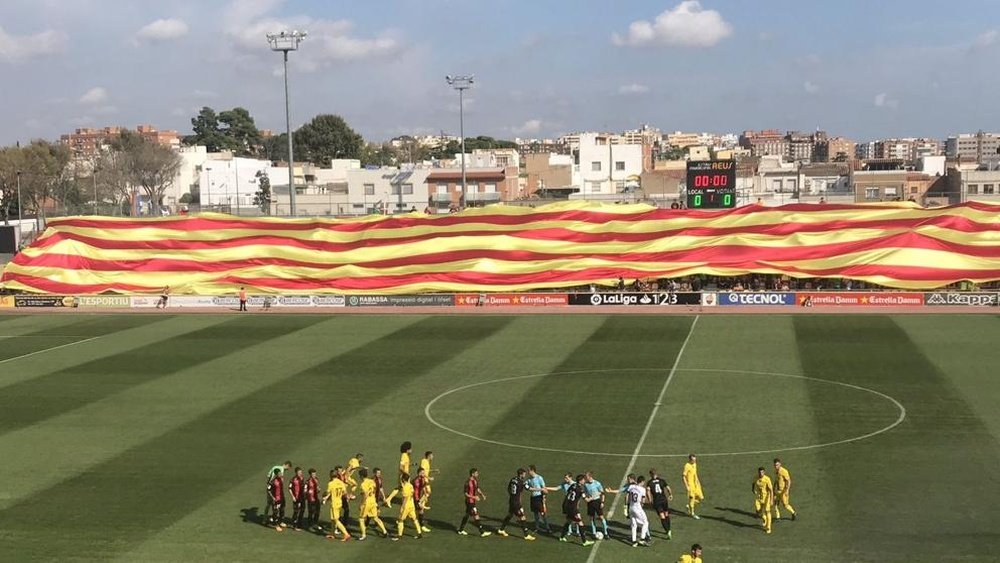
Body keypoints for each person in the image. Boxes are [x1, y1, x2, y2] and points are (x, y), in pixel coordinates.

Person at [498, 468, 536, 541]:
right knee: (522, 517)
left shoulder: (513, 479)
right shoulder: (521, 482)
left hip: (512, 500)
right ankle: (526, 535)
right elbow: (529, 488)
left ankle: (501, 529)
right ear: (521, 474)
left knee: (510, 515)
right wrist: (540, 489)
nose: (525, 475)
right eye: (524, 474)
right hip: (516, 503)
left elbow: (508, 489)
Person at [385, 473, 423, 540]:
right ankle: (419, 533)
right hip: (412, 505)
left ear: (403, 479)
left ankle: (399, 536)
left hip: (406, 506)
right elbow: (399, 488)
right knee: (414, 519)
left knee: (400, 520)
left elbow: (405, 498)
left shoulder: (405, 488)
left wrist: (402, 508)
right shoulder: (410, 485)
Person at [559, 474, 593, 546]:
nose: (584, 481)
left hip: (566, 505)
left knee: (568, 521)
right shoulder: (581, 489)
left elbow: (569, 493)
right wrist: (591, 498)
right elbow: (586, 500)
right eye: (583, 480)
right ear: (580, 481)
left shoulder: (573, 485)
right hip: (572, 508)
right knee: (580, 523)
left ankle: (561, 537)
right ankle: (584, 541)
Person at [457, 468, 492, 537]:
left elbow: (477, 488)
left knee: (467, 515)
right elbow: (465, 494)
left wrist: (482, 495)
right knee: (476, 515)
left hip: (472, 501)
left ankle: (461, 530)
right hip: (469, 502)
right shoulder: (467, 482)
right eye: (476, 473)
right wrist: (474, 497)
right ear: (472, 474)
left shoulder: (475, 481)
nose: (477, 474)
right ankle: (482, 532)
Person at [322, 467, 353, 541]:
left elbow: (328, 493)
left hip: (334, 503)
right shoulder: (341, 482)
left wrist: (324, 498)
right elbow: (344, 493)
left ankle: (346, 534)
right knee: (333, 519)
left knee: (336, 520)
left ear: (330, 476)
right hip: (340, 502)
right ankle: (332, 534)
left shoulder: (331, 484)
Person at [357, 468, 388, 540]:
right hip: (373, 501)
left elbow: (365, 495)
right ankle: (384, 531)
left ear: (361, 476)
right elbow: (374, 489)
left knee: (361, 519)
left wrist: (362, 504)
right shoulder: (371, 481)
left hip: (367, 503)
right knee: (375, 517)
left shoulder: (363, 484)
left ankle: (363, 535)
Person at [525, 465, 553, 534]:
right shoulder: (529, 479)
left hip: (539, 497)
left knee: (543, 513)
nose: (528, 472)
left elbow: (544, 488)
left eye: (529, 470)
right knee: (535, 513)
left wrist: (544, 497)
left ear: (532, 470)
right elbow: (526, 485)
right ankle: (537, 527)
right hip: (533, 498)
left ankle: (547, 528)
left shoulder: (539, 478)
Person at [648, 469, 674, 539]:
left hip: (657, 501)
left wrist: (650, 500)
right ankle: (669, 529)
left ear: (650, 475)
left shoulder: (649, 483)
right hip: (664, 500)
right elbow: (668, 488)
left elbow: (648, 491)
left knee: (662, 516)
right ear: (656, 474)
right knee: (666, 514)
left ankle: (668, 530)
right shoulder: (662, 481)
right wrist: (670, 494)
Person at [583, 472, 609, 539]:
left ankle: (606, 533)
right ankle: (594, 533)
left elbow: (602, 493)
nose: (585, 478)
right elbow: (585, 492)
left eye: (586, 476)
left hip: (597, 502)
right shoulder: (585, 484)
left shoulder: (597, 483)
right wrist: (586, 497)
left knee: (601, 517)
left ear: (590, 477)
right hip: (590, 503)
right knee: (591, 518)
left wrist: (602, 502)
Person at [627, 475, 651, 547]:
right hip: (637, 508)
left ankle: (634, 541)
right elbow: (643, 500)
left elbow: (627, 496)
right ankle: (642, 539)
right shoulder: (642, 489)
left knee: (634, 525)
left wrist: (627, 506)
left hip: (631, 507)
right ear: (642, 481)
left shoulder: (631, 487)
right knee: (645, 523)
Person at [752, 466, 774, 534]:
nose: (761, 473)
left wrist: (771, 500)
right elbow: (753, 483)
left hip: (767, 497)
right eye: (760, 472)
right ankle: (764, 518)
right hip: (759, 497)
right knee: (758, 511)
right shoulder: (756, 478)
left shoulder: (767, 479)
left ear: (764, 472)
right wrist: (753, 489)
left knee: (767, 511)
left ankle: (768, 527)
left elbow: (771, 490)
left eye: (762, 472)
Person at [683, 454, 704, 519]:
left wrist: (698, 481)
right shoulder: (687, 466)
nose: (694, 461)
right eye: (693, 460)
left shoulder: (694, 464)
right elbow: (683, 476)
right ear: (689, 459)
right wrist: (687, 486)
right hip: (690, 485)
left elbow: (695, 474)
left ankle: (689, 506)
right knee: (692, 498)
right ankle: (692, 513)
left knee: (701, 498)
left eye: (695, 460)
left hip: (696, 485)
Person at [412, 468, 432, 532]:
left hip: (419, 497)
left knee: (418, 510)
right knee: (419, 510)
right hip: (415, 498)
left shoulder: (422, 479)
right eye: (423, 473)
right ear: (419, 473)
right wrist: (418, 501)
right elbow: (415, 492)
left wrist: (425, 493)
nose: (424, 474)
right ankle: (422, 526)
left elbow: (423, 487)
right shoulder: (416, 481)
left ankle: (400, 520)